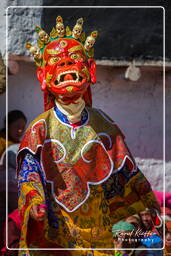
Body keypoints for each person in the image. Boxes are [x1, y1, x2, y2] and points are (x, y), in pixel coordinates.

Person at [17, 16, 161, 256]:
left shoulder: (104, 124)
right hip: (57, 232)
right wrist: (34, 201)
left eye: (74, 59)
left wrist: (147, 206)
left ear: (90, 70)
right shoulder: (38, 129)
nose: (65, 66)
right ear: (43, 77)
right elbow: (29, 173)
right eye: (56, 62)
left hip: (100, 230)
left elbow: (127, 174)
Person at [0, 110, 27, 235]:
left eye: (22, 128)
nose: (20, 131)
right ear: (8, 125)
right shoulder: (1, 143)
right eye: (17, 127)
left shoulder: (20, 145)